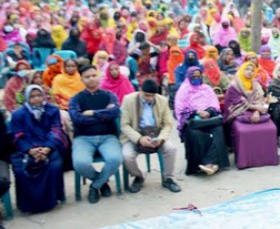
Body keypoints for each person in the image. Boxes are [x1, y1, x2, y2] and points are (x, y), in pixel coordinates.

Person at [69, 65, 122, 204]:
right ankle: (102, 182)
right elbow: (77, 118)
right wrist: (104, 114)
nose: (91, 79)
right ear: (82, 79)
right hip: (84, 138)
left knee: (115, 159)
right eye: (87, 77)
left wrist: (92, 113)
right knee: (80, 163)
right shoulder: (76, 99)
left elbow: (115, 112)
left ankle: (95, 186)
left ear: (99, 76)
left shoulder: (109, 95)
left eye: (94, 75)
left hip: (107, 137)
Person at [10, 85, 67, 213]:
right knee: (21, 170)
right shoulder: (18, 114)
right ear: (26, 98)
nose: (36, 99)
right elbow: (17, 135)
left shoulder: (52, 110)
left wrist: (47, 148)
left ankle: (53, 199)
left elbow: (56, 130)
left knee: (54, 166)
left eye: (39, 95)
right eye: (32, 96)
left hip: (48, 147)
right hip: (26, 149)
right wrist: (30, 150)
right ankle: (29, 205)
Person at [120, 79, 180, 193]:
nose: (150, 99)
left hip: (156, 136)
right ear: (141, 91)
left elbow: (168, 124)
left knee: (171, 149)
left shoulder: (162, 101)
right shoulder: (129, 100)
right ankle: (138, 177)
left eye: (153, 96)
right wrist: (139, 139)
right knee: (126, 155)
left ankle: (168, 178)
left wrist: (161, 138)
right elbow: (125, 125)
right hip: (135, 136)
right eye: (147, 95)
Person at [174, 66, 229, 175]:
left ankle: (209, 163)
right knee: (196, 133)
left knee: (218, 129)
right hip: (193, 120)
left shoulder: (207, 89)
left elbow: (214, 105)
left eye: (199, 76)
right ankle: (207, 164)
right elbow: (181, 109)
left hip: (208, 117)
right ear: (188, 77)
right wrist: (197, 112)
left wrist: (208, 112)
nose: (196, 79)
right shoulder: (184, 90)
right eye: (193, 77)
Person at [223, 62, 278, 169]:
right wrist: (255, 108)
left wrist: (257, 111)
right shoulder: (234, 85)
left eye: (252, 70)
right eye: (247, 69)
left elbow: (260, 99)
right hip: (239, 112)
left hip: (256, 110)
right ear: (242, 70)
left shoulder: (255, 84)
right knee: (243, 131)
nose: (249, 72)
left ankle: (267, 159)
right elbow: (237, 102)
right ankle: (245, 161)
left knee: (271, 128)